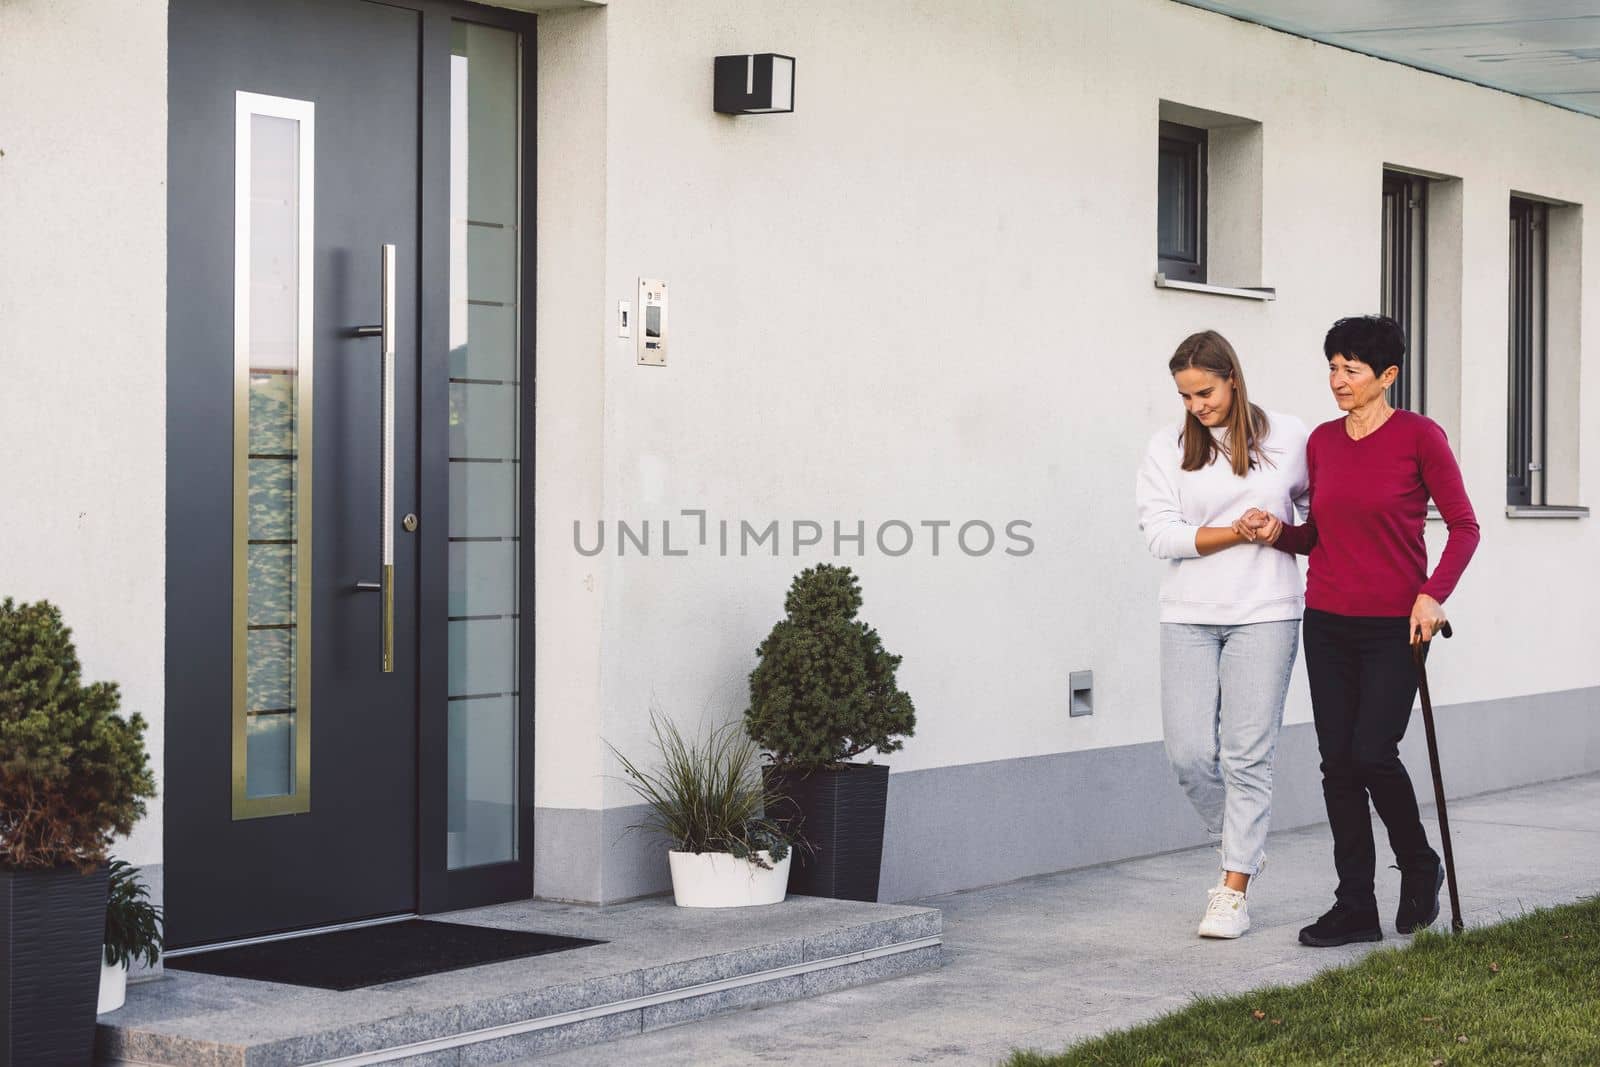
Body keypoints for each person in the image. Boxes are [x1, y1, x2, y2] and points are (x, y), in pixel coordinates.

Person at [1238, 315, 1479, 947]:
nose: (1338, 380)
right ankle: (1355, 907)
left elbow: (1464, 526)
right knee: (1338, 766)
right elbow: (1319, 533)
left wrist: (1432, 595)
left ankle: (1420, 864)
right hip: (1328, 621)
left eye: (1352, 370)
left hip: (1395, 626)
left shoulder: (1420, 438)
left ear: (1387, 376)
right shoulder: (1322, 441)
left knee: (1373, 753)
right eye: (1333, 367)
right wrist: (1278, 534)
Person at [1136, 330, 1310, 939]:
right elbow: (1161, 535)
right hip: (1188, 613)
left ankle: (1233, 887)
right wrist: (1237, 531)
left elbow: (1317, 514)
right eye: (1185, 397)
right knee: (1189, 754)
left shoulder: (1288, 437)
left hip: (1266, 610)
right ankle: (1242, 843)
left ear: (1232, 378)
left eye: (1204, 392)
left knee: (1247, 754)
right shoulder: (1166, 448)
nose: (1196, 406)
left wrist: (1278, 527)